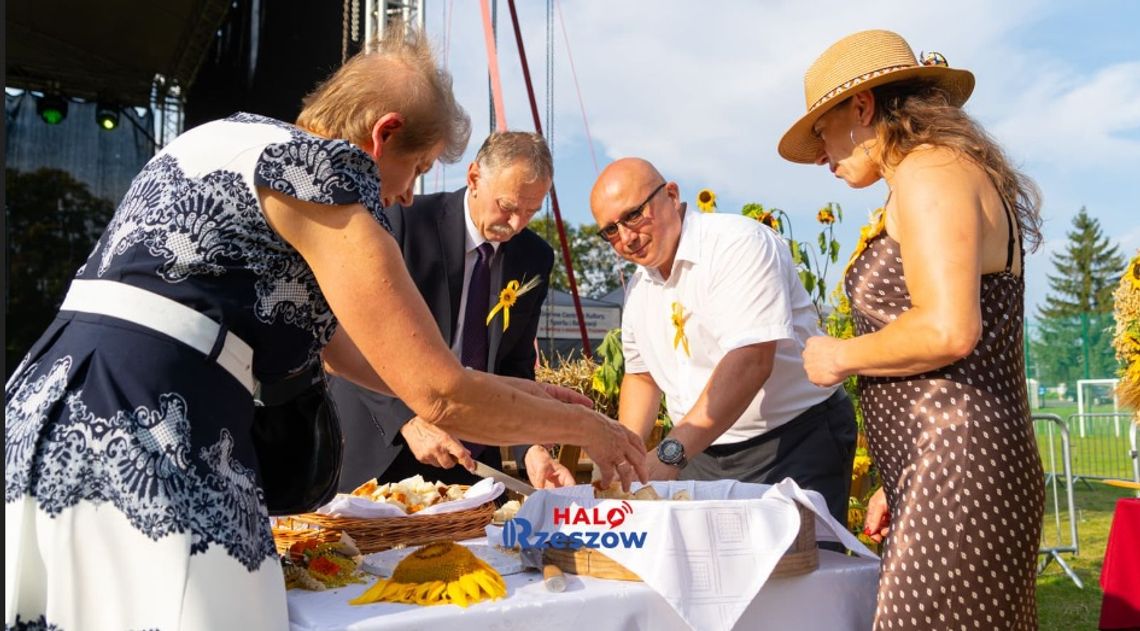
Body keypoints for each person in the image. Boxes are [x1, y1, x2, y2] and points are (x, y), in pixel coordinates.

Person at [4, 27, 646, 631]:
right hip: (147, 422)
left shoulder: (220, 136)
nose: (403, 196)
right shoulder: (325, 173)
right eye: (416, 168)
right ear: (382, 134)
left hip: (51, 404)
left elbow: (355, 354)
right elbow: (438, 393)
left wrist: (538, 401)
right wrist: (585, 426)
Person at [781, 29, 1045, 630]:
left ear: (862, 106)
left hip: (957, 463)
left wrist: (839, 356)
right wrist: (898, 479)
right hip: (942, 464)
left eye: (821, 131)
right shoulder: (930, 172)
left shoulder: (931, 169)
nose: (822, 154)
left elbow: (950, 329)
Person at [589, 157, 857, 526]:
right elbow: (641, 376)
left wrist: (668, 454)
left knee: (796, 575)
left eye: (634, 215)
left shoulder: (737, 244)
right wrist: (627, 456)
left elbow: (751, 360)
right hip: (698, 454)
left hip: (792, 444)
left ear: (671, 194)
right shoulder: (639, 286)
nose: (627, 238)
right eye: (611, 231)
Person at [330, 131, 576, 490]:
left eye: (531, 211)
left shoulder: (533, 256)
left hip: (471, 459)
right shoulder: (404, 220)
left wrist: (531, 446)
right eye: (507, 207)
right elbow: (354, 335)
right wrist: (408, 419)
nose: (517, 224)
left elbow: (514, 365)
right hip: (380, 445)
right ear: (474, 177)